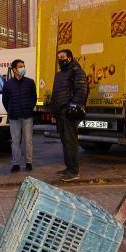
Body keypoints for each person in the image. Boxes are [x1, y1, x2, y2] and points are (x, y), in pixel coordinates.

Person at [50, 49, 88, 182]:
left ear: (70, 57)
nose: (60, 60)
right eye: (59, 58)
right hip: (59, 113)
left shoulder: (77, 71)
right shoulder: (59, 74)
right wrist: (54, 112)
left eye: (63, 57)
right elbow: (55, 95)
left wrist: (70, 108)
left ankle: (74, 171)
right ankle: (68, 168)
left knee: (71, 142)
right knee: (65, 142)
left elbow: (81, 92)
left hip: (68, 113)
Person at [2, 58, 37, 173]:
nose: (23, 68)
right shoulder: (8, 84)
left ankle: (29, 163)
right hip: (14, 117)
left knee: (28, 140)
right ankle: (15, 164)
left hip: (27, 116)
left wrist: (29, 108)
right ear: (14, 70)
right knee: (15, 141)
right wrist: (11, 110)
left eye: (23, 66)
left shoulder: (30, 82)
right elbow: (5, 100)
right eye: (20, 67)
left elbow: (33, 98)